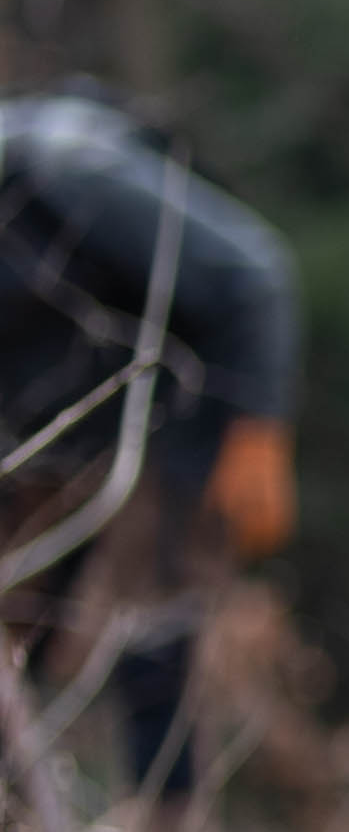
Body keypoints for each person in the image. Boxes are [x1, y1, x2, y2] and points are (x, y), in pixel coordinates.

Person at [0, 86, 299, 790]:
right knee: (20, 623)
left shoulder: (69, 173)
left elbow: (254, 277)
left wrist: (256, 435)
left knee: (152, 620)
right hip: (47, 423)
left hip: (179, 398)